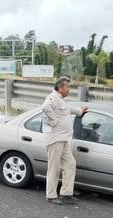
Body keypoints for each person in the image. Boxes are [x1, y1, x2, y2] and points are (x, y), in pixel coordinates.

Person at [41, 76, 87, 205]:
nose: (69, 89)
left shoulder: (61, 100)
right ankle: (51, 196)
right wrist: (54, 121)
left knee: (70, 164)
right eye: (67, 87)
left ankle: (66, 193)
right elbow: (45, 107)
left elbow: (69, 110)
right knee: (54, 168)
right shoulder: (52, 98)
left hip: (64, 139)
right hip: (55, 140)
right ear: (60, 88)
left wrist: (80, 111)